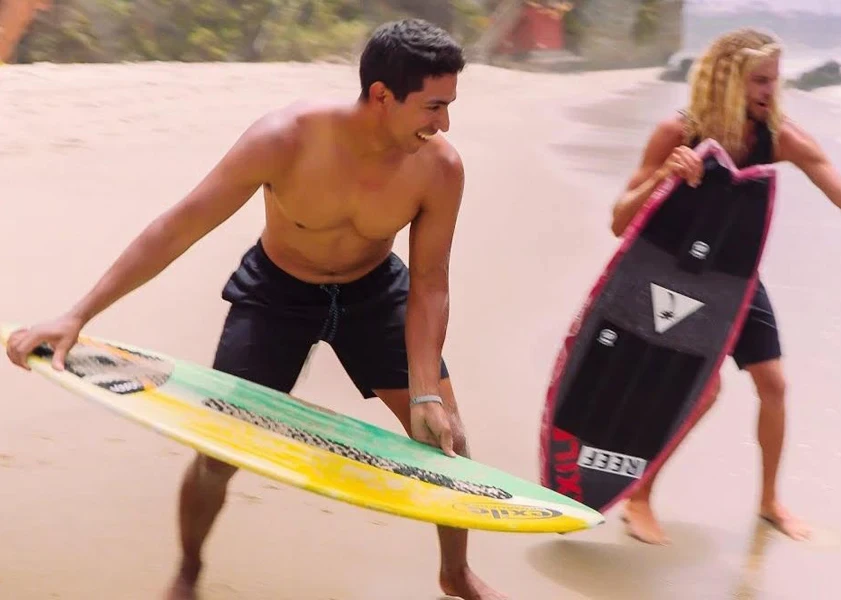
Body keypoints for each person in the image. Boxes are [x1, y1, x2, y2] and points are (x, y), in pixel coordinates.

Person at [5, 19, 506, 600]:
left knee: (448, 440)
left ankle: (455, 573)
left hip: (374, 293)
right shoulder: (285, 138)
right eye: (433, 106)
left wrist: (424, 391)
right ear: (381, 96)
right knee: (218, 451)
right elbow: (180, 225)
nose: (444, 123)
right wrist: (78, 315)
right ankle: (190, 567)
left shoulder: (439, 167)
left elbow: (429, 282)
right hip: (277, 294)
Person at [609, 27, 841, 546]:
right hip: (676, 276)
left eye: (774, 79)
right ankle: (640, 497)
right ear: (727, 78)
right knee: (705, 390)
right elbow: (619, 221)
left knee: (774, 385)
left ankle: (769, 502)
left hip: (737, 276)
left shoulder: (779, 135)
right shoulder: (677, 133)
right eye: (760, 80)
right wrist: (665, 177)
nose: (771, 90)